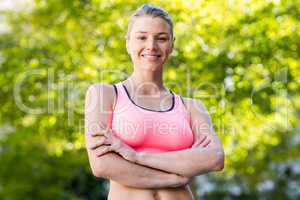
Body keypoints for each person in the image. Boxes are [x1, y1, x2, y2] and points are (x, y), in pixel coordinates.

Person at [85, 4, 224, 200]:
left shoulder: (191, 107)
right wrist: (174, 177)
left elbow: (214, 158)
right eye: (142, 37)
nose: (151, 46)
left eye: (161, 38)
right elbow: (102, 164)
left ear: (172, 44)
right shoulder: (104, 95)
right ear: (128, 43)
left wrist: (135, 156)